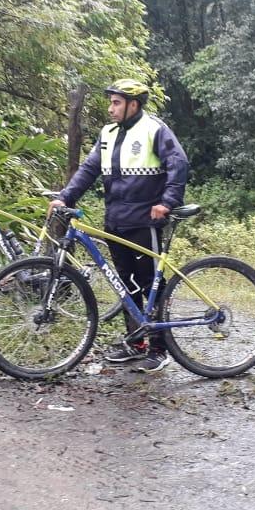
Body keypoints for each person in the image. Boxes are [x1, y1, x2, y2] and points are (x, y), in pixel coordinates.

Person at [50, 78, 189, 373]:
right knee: (126, 284)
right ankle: (136, 342)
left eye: (116, 103)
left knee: (151, 280)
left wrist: (167, 202)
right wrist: (65, 197)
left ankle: (159, 347)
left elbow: (179, 163)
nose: (110, 109)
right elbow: (89, 169)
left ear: (133, 105)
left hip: (144, 220)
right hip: (115, 220)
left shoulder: (154, 129)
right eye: (110, 102)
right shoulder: (108, 133)